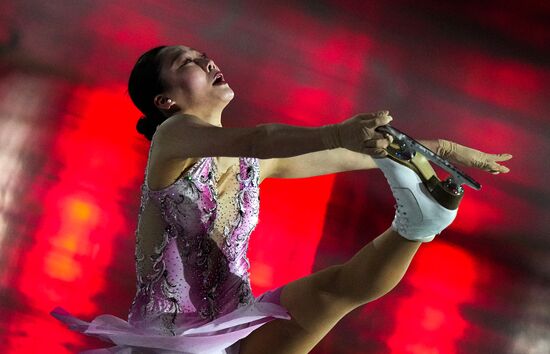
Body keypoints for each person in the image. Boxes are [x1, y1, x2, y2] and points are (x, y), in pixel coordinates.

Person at [50, 45, 512, 354]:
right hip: (174, 343)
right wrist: (336, 129)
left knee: (335, 291)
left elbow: (349, 155)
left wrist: (441, 150)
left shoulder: (253, 165)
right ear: (165, 101)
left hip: (236, 331)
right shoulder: (172, 140)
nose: (207, 61)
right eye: (187, 62)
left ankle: (418, 225)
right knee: (331, 292)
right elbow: (261, 137)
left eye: (203, 55)